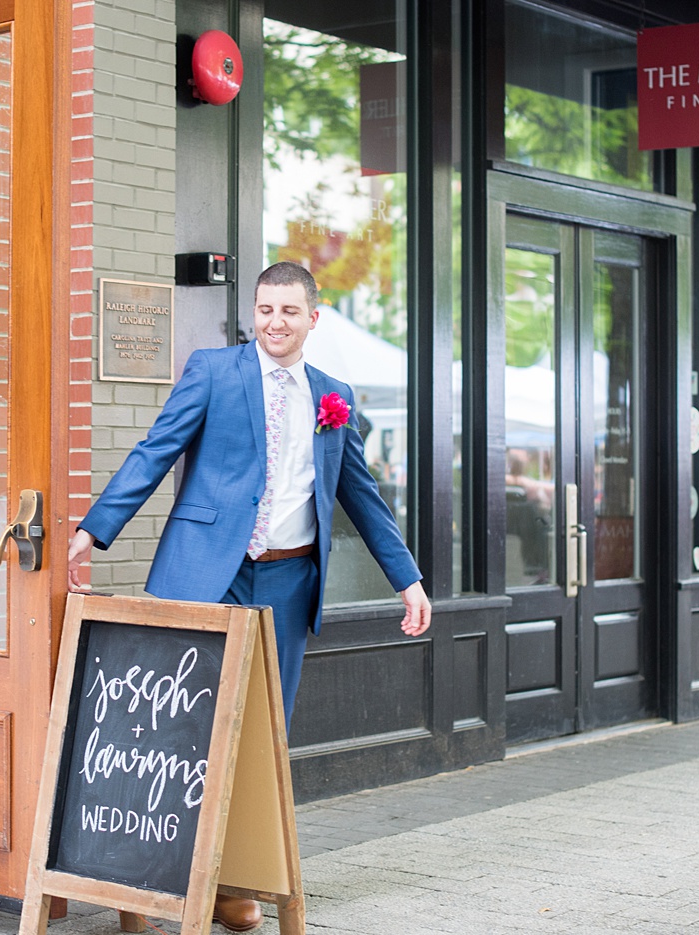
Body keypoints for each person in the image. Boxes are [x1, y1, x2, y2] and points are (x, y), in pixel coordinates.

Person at [66, 262, 430, 933]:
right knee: (172, 729)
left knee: (261, 735)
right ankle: (146, 877)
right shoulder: (212, 370)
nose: (274, 322)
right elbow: (155, 449)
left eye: (289, 311)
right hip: (206, 572)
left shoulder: (333, 397)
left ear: (312, 318)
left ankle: (234, 881)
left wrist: (406, 577)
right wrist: (96, 528)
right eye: (265, 309)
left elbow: (362, 497)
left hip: (288, 586)